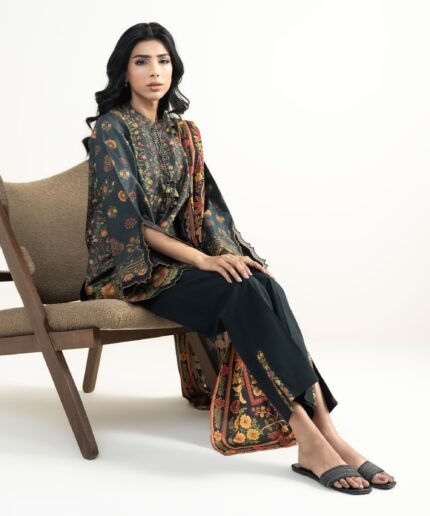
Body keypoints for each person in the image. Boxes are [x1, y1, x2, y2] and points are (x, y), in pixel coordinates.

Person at [81, 22, 396, 494]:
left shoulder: (184, 133)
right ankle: (309, 437)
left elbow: (207, 209)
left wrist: (229, 255)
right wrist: (203, 261)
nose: (155, 71)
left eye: (163, 61)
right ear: (124, 72)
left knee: (261, 283)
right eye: (141, 61)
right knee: (238, 293)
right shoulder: (112, 128)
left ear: (174, 68)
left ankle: (327, 431)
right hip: (128, 271)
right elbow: (130, 223)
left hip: (179, 264)